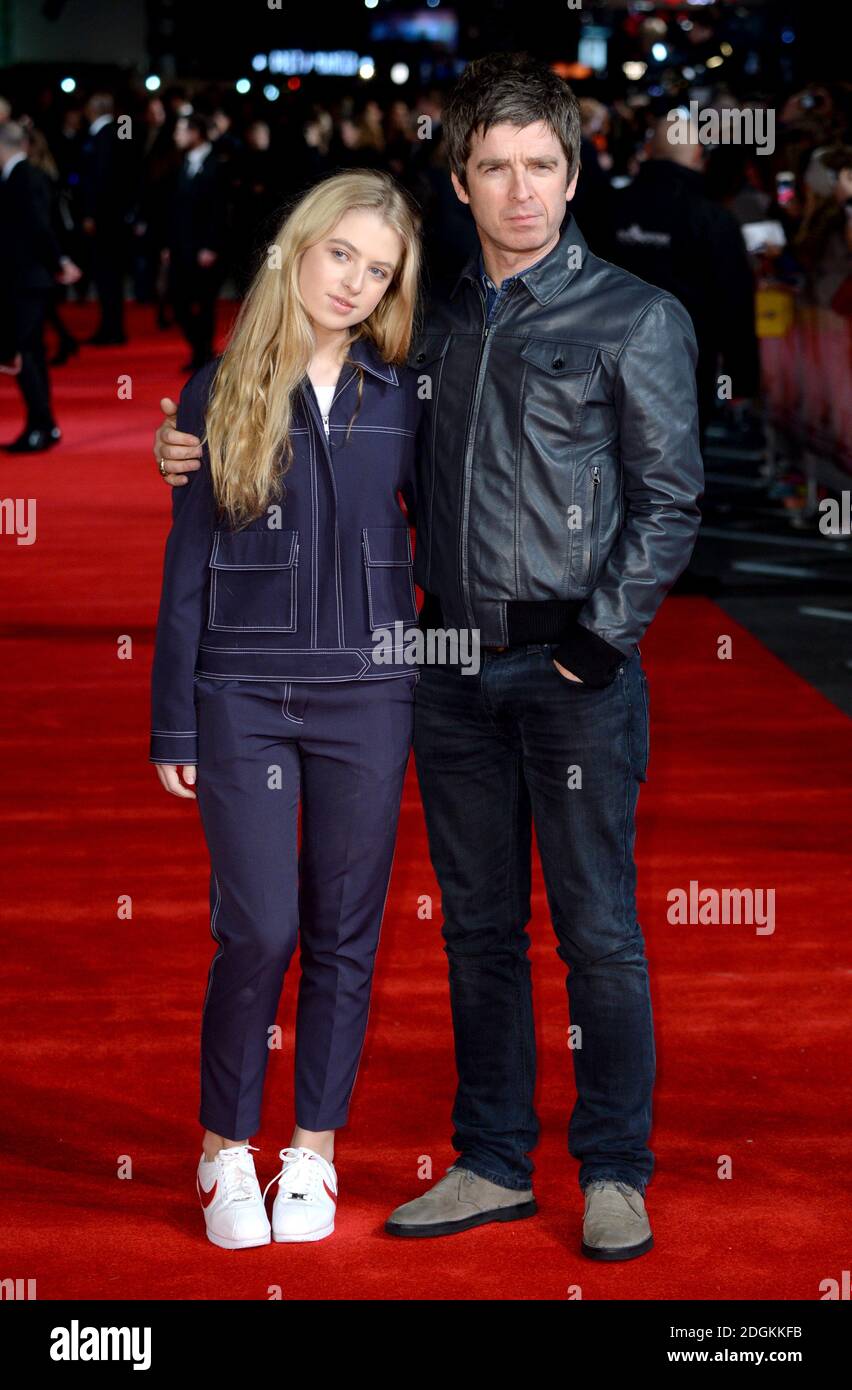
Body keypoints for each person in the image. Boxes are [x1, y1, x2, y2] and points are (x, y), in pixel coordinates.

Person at [154, 51, 704, 1264]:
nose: (522, 191)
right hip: (441, 662)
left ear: (574, 172)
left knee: (598, 929)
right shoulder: (429, 324)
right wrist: (186, 440)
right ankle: (494, 1157)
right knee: (474, 930)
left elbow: (671, 502)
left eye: (543, 167)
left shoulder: (636, 316)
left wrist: (595, 645)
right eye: (496, 167)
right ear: (461, 179)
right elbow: (305, 423)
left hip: (575, 671)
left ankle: (613, 1166)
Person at [149, 168, 424, 1249]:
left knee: (348, 932)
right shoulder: (211, 390)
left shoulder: (405, 393)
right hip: (242, 691)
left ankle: (314, 1149)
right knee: (258, 925)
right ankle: (226, 1148)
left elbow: (447, 526)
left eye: (381, 269)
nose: (356, 281)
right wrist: (174, 717)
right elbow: (186, 568)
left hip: (370, 690)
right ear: (299, 249)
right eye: (342, 254)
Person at [0, 121, 81, 453]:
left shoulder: (24, 177)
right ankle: (44, 425)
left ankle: (41, 426)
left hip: (28, 279)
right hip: (27, 278)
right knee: (29, 352)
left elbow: (40, 226)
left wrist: (60, 261)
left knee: (22, 355)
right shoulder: (21, 176)